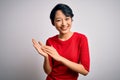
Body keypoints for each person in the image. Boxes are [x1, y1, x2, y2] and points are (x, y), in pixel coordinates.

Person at [32, 3, 90, 80]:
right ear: (53, 23)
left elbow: (85, 70)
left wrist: (60, 58)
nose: (64, 24)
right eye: (59, 20)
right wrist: (46, 57)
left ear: (71, 19)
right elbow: (48, 72)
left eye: (67, 19)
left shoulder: (81, 39)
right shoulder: (50, 41)